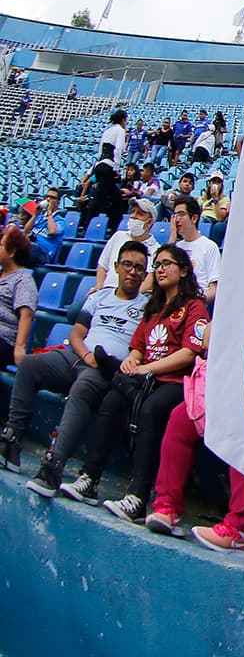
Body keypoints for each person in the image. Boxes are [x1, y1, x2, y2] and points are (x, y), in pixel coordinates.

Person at [66, 244, 207, 521]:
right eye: (159, 264)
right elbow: (138, 346)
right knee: (112, 400)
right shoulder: (153, 307)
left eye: (168, 263)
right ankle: (89, 479)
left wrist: (147, 368)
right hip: (145, 378)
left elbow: (189, 353)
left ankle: (138, 496)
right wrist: (133, 360)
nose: (161, 269)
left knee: (150, 408)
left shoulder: (194, 306)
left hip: (174, 382)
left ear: (184, 270)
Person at [0, 241, 149, 491]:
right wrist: (86, 355)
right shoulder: (99, 297)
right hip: (79, 357)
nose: (133, 271)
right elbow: (77, 334)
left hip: (106, 369)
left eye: (139, 268)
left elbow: (142, 347)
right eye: (127, 265)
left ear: (145, 274)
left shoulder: (147, 306)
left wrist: (97, 361)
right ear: (116, 267)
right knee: (30, 365)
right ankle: (12, 441)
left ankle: (53, 466)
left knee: (82, 388)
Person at [145, 322, 244, 553]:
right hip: (232, 368)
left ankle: (240, 531)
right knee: (181, 418)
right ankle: (167, 508)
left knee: (241, 422)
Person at [93, 198, 160, 292]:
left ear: (149, 223)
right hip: (105, 291)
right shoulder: (118, 236)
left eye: (139, 214)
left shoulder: (156, 249)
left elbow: (149, 279)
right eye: (132, 212)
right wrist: (99, 288)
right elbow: (102, 266)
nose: (133, 216)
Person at [0, 225, 37, 374]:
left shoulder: (23, 279)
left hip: (4, 340)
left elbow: (26, 314)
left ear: (12, 251)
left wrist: (20, 347)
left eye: (1, 245)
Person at [171, 197, 220, 306]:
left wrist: (195, 303)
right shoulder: (175, 248)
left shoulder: (209, 246)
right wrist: (172, 238)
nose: (176, 219)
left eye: (181, 214)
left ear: (194, 218)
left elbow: (214, 289)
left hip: (197, 304)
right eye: (175, 215)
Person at [79, 142, 124, 237]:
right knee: (99, 201)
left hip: (102, 170)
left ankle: (111, 228)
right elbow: (116, 176)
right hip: (106, 170)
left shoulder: (101, 161)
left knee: (116, 200)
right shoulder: (111, 159)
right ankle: (89, 228)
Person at [23, 187, 65, 266]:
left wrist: (49, 212)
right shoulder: (39, 217)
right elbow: (25, 231)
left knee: (32, 247)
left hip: (45, 254)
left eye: (53, 198)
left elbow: (52, 232)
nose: (48, 199)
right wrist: (35, 215)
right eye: (47, 197)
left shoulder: (61, 221)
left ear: (58, 203)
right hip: (31, 249)